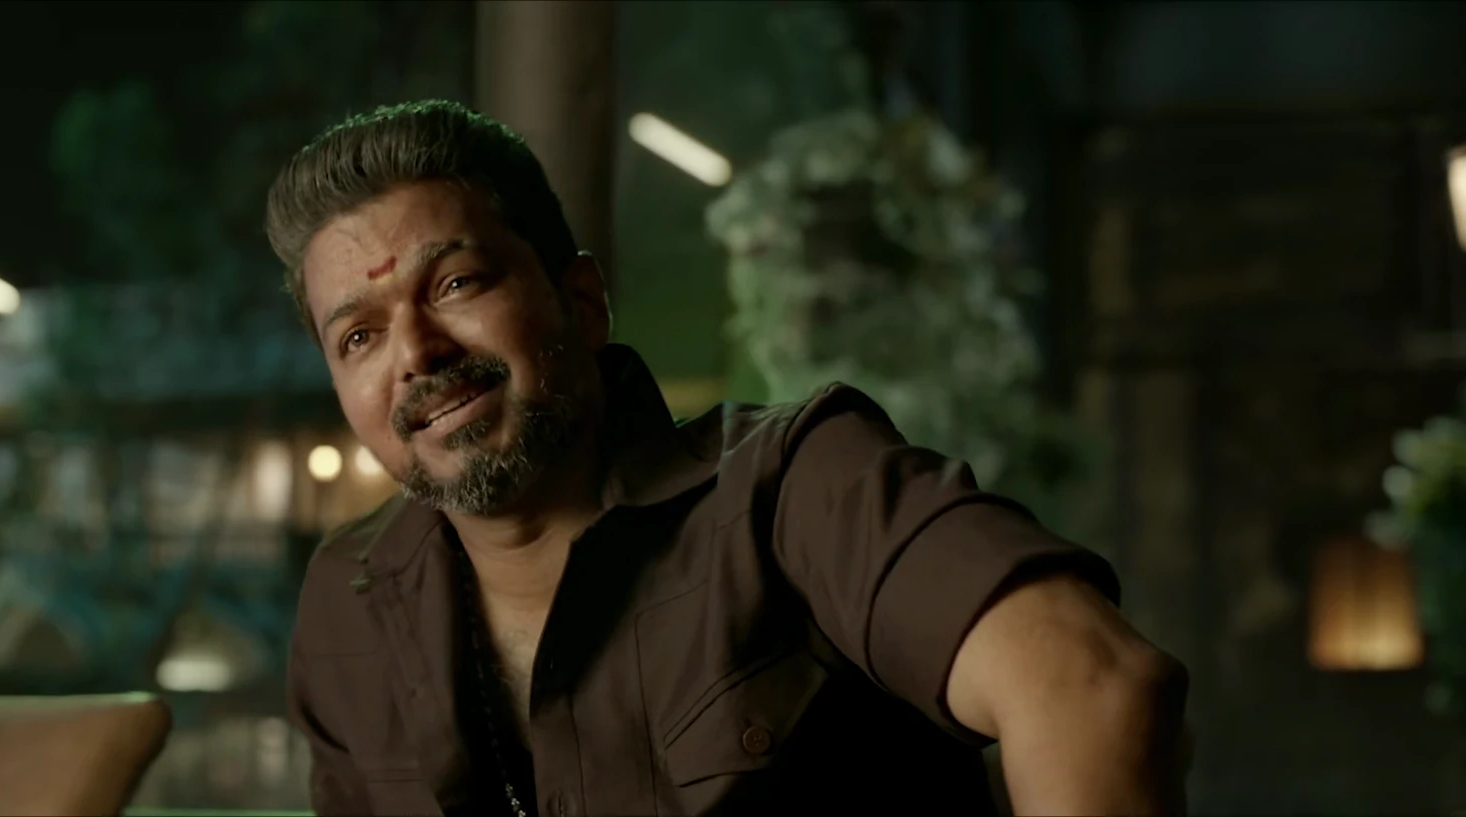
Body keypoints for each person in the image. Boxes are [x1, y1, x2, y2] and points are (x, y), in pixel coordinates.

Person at [265, 100, 1188, 817]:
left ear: (581, 301)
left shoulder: (796, 486)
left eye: (457, 283)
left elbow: (1093, 687)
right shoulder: (349, 600)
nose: (416, 353)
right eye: (359, 336)